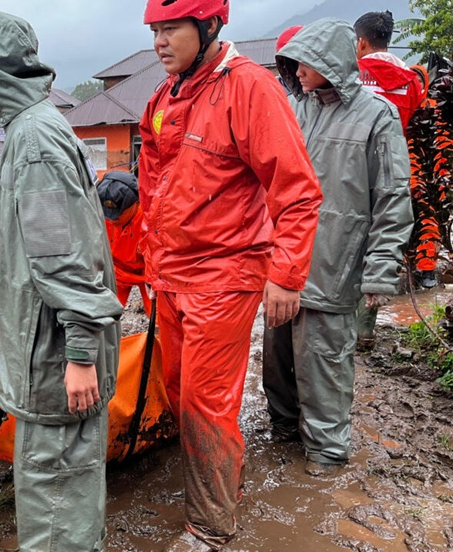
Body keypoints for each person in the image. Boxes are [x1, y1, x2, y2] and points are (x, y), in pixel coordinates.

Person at [138, 1, 323, 549]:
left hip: (225, 274)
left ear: (210, 26)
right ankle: (216, 480)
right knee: (176, 391)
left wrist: (287, 276)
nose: (159, 42)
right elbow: (153, 185)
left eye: (170, 28)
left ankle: (210, 526)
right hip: (171, 275)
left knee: (205, 400)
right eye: (155, 30)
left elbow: (296, 191)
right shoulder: (165, 95)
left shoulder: (250, 90)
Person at [0, 10, 122, 552]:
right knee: (65, 494)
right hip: (48, 354)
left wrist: (78, 356)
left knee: (55, 502)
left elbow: (67, 260)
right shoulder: (40, 127)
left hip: (53, 362)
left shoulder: (34, 143)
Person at [267, 18, 413, 478]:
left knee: (324, 366)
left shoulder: (377, 115)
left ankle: (326, 457)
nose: (297, 69)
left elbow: (393, 195)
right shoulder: (295, 108)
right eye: (293, 62)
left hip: (337, 263)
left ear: (331, 61)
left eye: (306, 61)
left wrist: (380, 268)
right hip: (285, 263)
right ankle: (284, 436)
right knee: (278, 363)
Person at [354, 10, 432, 346]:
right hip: (396, 173)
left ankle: (345, 328)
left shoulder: (353, 74)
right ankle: (366, 330)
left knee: (349, 248)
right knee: (383, 247)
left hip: (354, 171)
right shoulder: (413, 80)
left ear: (361, 42)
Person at [96, 171, 151, 316]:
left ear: (137, 202)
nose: (112, 219)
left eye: (118, 213)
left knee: (159, 317)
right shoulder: (99, 215)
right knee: (106, 315)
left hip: (148, 272)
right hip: (116, 271)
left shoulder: (150, 217)